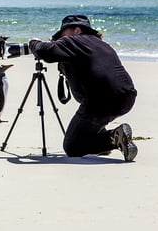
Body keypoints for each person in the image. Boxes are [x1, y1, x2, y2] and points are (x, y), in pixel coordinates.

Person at [28, 15, 138, 161]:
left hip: (100, 101)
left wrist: (33, 43)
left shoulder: (75, 41)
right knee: (92, 121)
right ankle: (104, 141)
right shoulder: (102, 45)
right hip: (126, 97)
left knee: (72, 146)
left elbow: (45, 51)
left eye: (63, 34)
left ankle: (113, 137)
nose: (61, 39)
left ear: (77, 30)